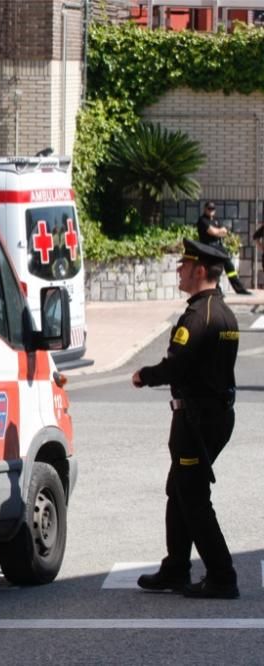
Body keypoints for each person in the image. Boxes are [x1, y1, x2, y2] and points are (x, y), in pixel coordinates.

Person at [131, 238, 240, 599]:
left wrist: (144, 375)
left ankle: (222, 576)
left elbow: (177, 364)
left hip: (196, 419)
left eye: (183, 265)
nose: (178, 270)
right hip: (214, 415)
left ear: (199, 271)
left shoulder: (198, 316)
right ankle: (176, 567)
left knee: (192, 495)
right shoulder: (223, 313)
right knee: (179, 488)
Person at [196, 202, 250, 295]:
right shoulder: (202, 220)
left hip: (218, 246)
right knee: (214, 268)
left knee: (230, 267)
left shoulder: (215, 220)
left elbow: (224, 231)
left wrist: (218, 231)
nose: (211, 211)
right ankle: (217, 290)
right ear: (205, 209)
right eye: (209, 209)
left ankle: (239, 289)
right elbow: (213, 231)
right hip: (209, 247)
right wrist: (218, 231)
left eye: (212, 209)